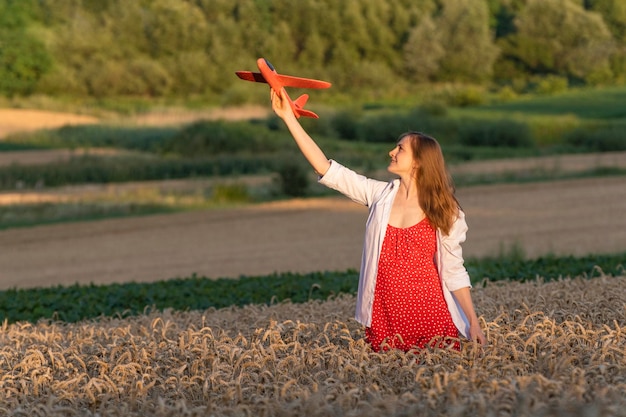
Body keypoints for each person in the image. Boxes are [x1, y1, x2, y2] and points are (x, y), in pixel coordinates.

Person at [270, 88, 487, 352]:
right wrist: (288, 118)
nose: (391, 152)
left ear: (419, 162)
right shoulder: (379, 195)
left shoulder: (445, 210)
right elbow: (326, 169)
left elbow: (454, 270)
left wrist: (473, 322)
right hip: (384, 317)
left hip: (431, 315)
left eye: (400, 149)